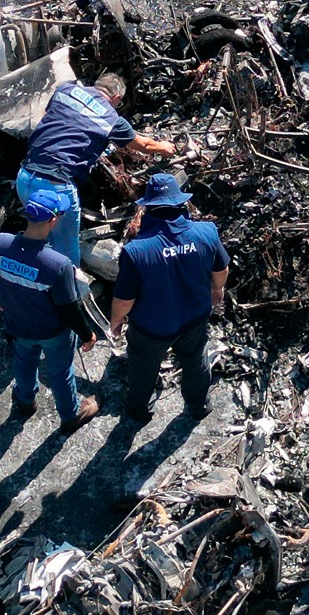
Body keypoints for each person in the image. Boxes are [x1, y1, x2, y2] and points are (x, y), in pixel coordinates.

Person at [17, 71, 177, 265]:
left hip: (25, 176)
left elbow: (59, 119)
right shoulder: (112, 119)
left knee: (38, 231)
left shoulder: (65, 90)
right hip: (56, 185)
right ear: (116, 98)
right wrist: (165, 147)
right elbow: (144, 145)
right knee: (66, 248)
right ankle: (69, 290)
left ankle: (29, 274)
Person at [110, 174, 229, 426]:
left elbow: (124, 299)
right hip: (195, 318)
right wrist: (217, 290)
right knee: (196, 361)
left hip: (152, 328)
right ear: (180, 202)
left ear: (148, 207)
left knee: (142, 369)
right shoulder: (207, 232)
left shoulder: (136, 251)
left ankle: (140, 410)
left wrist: (116, 322)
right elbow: (221, 271)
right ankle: (199, 406)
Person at [0, 186, 99, 433]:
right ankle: (70, 414)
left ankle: (25, 401)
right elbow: (68, 307)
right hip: (52, 332)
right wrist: (87, 334)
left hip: (17, 325)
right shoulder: (57, 264)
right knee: (60, 372)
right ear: (54, 219)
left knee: (24, 362)